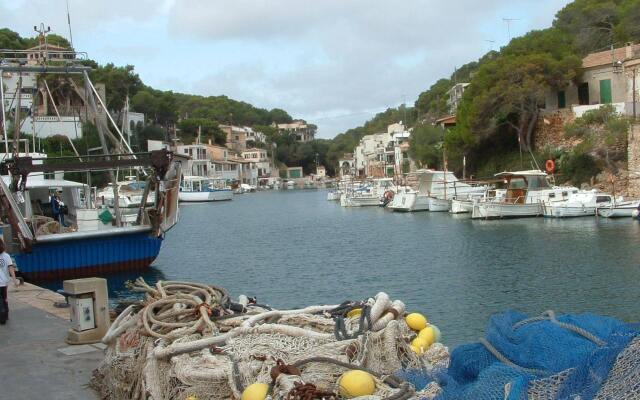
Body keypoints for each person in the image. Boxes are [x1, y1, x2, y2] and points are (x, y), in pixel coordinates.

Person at [0, 238, 18, 324]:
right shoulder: (6, 256)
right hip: (5, 282)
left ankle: (2, 316)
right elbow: (10, 268)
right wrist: (14, 280)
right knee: (4, 298)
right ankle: (6, 315)